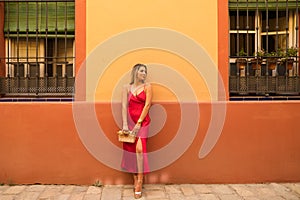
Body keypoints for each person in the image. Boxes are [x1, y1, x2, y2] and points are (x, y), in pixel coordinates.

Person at [121, 63, 152, 199]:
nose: (144, 74)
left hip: (143, 122)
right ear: (135, 72)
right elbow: (123, 107)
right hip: (130, 123)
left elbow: (147, 105)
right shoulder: (126, 88)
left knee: (139, 149)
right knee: (131, 150)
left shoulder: (147, 87)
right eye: (141, 71)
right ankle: (134, 177)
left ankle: (140, 180)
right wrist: (125, 124)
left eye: (145, 71)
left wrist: (139, 123)